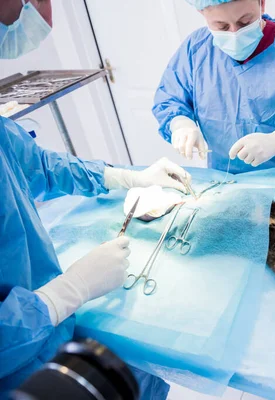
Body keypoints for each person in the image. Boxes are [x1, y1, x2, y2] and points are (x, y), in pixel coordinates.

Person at [0, 1, 188, 397]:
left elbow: (41, 167)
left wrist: (123, 176)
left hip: (52, 338)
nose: (40, 12)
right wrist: (61, 295)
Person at [153, 0, 275, 178]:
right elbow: (170, 98)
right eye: (221, 26)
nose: (234, 34)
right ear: (203, 14)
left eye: (244, 22)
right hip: (225, 184)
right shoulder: (196, 49)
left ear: (261, 4)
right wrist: (180, 123)